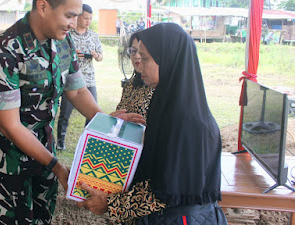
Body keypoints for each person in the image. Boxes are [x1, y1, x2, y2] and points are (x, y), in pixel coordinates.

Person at [0, 0, 143, 223]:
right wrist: (56, 167)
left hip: (45, 154)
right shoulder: (3, 50)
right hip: (10, 162)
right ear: (44, 6)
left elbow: (76, 91)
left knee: (42, 218)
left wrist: (105, 121)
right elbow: (11, 125)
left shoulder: (63, 43)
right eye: (69, 16)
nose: (74, 24)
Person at [77, 23, 228, 225]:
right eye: (137, 56)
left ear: (169, 60)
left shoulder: (188, 122)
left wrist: (111, 204)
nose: (139, 65)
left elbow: (165, 192)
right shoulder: (166, 104)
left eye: (146, 59)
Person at [56, 3, 103, 151]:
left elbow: (101, 56)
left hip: (89, 79)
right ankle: (60, 141)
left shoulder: (93, 35)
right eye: (85, 18)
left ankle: (86, 141)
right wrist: (73, 53)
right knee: (65, 113)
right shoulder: (67, 34)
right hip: (71, 80)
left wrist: (96, 55)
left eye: (90, 18)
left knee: (92, 112)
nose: (88, 21)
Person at [116, 32, 154, 121]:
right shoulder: (129, 85)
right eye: (133, 51)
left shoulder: (156, 86)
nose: (137, 56)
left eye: (141, 52)